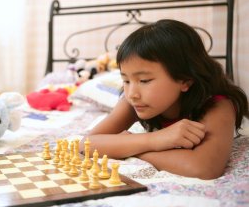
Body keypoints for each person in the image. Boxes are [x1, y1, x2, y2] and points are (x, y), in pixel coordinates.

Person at [82, 19, 249, 180]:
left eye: (144, 80)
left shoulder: (218, 104)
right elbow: (87, 144)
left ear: (185, 79)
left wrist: (128, 147)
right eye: (126, 80)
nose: (132, 93)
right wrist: (156, 139)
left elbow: (203, 168)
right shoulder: (133, 101)